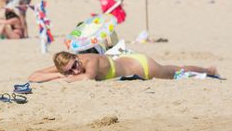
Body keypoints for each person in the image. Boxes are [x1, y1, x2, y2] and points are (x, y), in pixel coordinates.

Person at [29, 51, 218, 83]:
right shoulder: (67, 69)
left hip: (141, 66)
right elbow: (33, 76)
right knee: (175, 70)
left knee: (175, 71)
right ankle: (208, 70)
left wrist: (65, 77)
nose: (75, 70)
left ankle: (209, 70)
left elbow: (88, 78)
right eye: (70, 70)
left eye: (75, 65)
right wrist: (57, 76)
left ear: (76, 57)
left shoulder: (90, 61)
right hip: (127, 63)